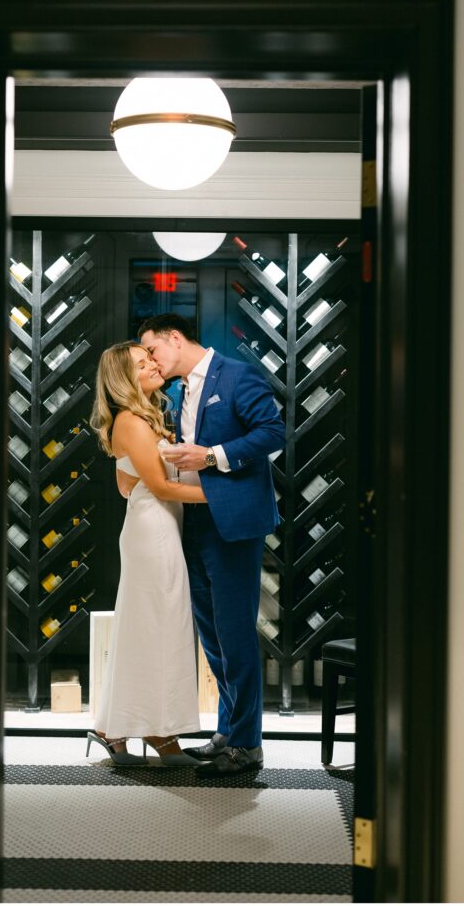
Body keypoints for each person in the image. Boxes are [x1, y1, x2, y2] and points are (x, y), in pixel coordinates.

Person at [139, 314, 286, 777]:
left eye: (154, 351)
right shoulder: (181, 390)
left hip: (235, 524)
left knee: (236, 634)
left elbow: (274, 432)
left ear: (176, 340)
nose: (153, 363)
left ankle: (248, 745)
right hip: (196, 521)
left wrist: (210, 456)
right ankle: (227, 731)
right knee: (214, 636)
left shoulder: (238, 375)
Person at [88, 341, 207, 767]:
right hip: (154, 529)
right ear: (127, 379)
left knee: (146, 625)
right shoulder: (133, 423)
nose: (154, 364)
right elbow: (158, 488)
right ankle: (157, 731)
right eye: (143, 363)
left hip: (153, 525)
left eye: (149, 357)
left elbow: (126, 486)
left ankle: (114, 729)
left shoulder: (143, 419)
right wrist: (217, 497)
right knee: (160, 625)